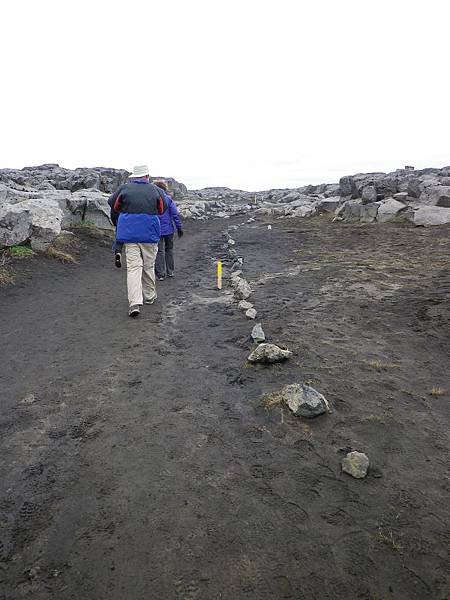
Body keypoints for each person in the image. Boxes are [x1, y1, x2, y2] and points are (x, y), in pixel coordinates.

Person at [108, 165, 166, 317]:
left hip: (129, 234)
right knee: (148, 266)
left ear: (134, 177)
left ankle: (134, 302)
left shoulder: (124, 188)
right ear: (147, 176)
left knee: (134, 268)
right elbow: (162, 208)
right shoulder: (156, 190)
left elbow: (112, 203)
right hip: (149, 234)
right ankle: (150, 296)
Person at [153, 180, 183, 280]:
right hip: (169, 230)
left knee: (159, 251)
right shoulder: (168, 199)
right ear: (164, 189)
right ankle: (170, 271)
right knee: (169, 249)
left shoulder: (152, 200)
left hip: (156, 230)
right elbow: (175, 215)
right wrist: (179, 228)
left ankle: (161, 274)